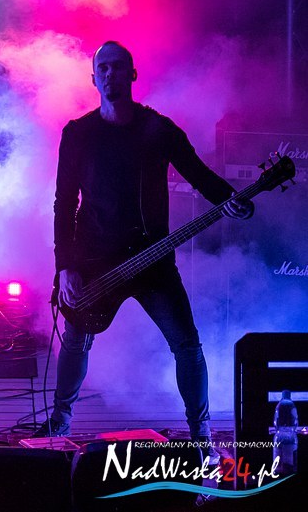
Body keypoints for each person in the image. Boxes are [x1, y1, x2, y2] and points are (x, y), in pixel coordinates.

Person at [36, 41, 253, 451]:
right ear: (93, 77)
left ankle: (201, 435)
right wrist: (65, 265)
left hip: (152, 259)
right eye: (103, 67)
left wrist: (230, 198)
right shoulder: (78, 133)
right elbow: (64, 203)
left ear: (132, 74)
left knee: (187, 345)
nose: (110, 74)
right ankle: (59, 423)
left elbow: (198, 173)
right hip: (95, 259)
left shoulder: (159, 129)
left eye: (118, 66)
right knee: (77, 339)